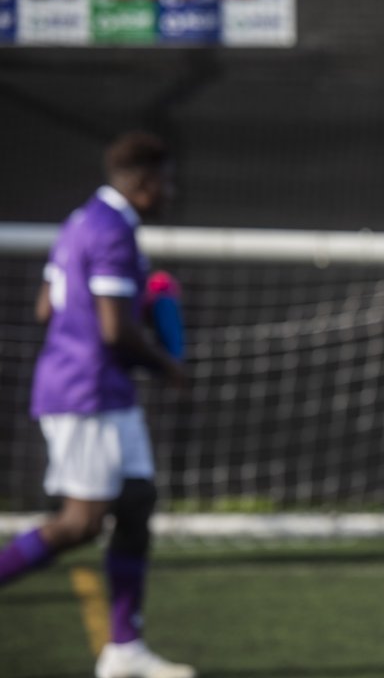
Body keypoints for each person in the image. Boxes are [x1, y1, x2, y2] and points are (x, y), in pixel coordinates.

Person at [0, 132, 195, 678]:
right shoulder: (112, 232)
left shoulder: (81, 220)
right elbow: (113, 329)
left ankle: (125, 648)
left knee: (136, 503)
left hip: (103, 390)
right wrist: (166, 365)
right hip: (86, 392)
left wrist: (139, 301)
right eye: (167, 181)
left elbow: (46, 308)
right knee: (81, 522)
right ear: (143, 183)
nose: (171, 192)